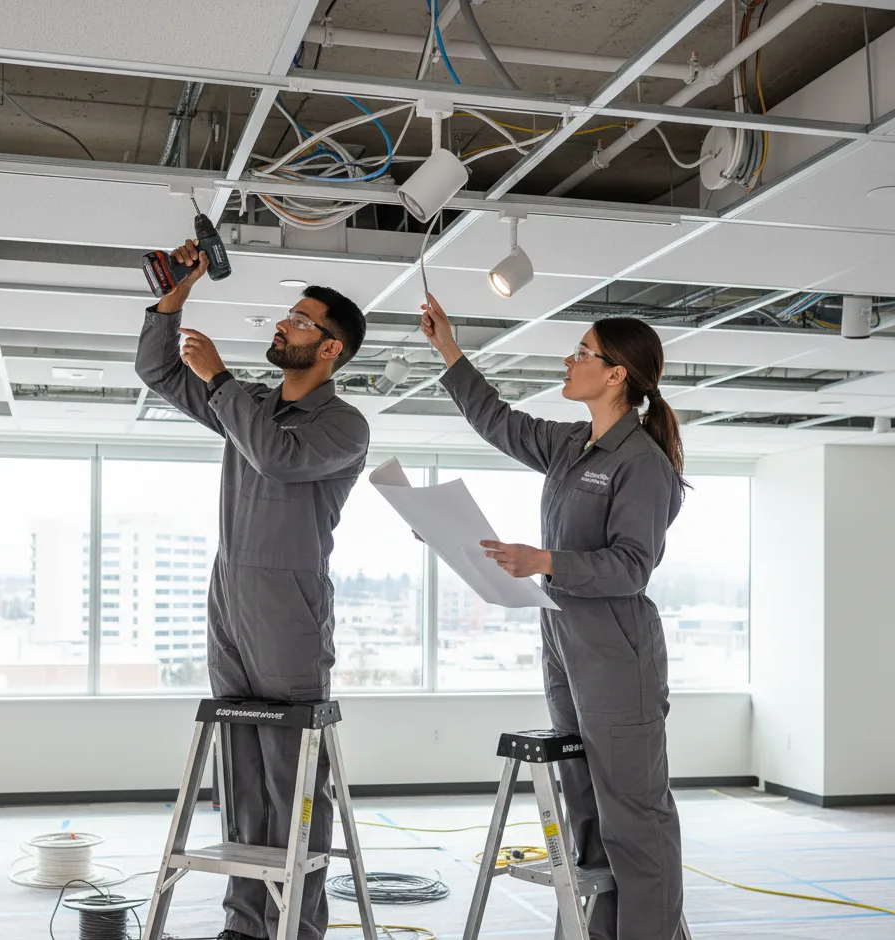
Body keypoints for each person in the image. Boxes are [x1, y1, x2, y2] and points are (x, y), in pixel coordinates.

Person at [420, 294, 685, 940]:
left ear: (616, 373)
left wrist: (545, 559)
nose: (569, 361)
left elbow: (630, 568)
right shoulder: (571, 444)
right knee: (586, 808)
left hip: (618, 656)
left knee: (634, 818)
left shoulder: (641, 464)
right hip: (565, 643)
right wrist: (449, 350)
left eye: (582, 353)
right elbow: (499, 422)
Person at [135, 239, 369, 940]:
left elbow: (274, 456)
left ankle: (295, 928)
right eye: (287, 316)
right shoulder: (249, 405)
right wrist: (176, 292)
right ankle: (244, 925)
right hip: (230, 600)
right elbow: (154, 368)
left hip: (288, 610)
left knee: (291, 778)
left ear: (330, 350)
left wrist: (221, 381)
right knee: (238, 777)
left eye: (300, 322)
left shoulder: (342, 425)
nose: (283, 326)